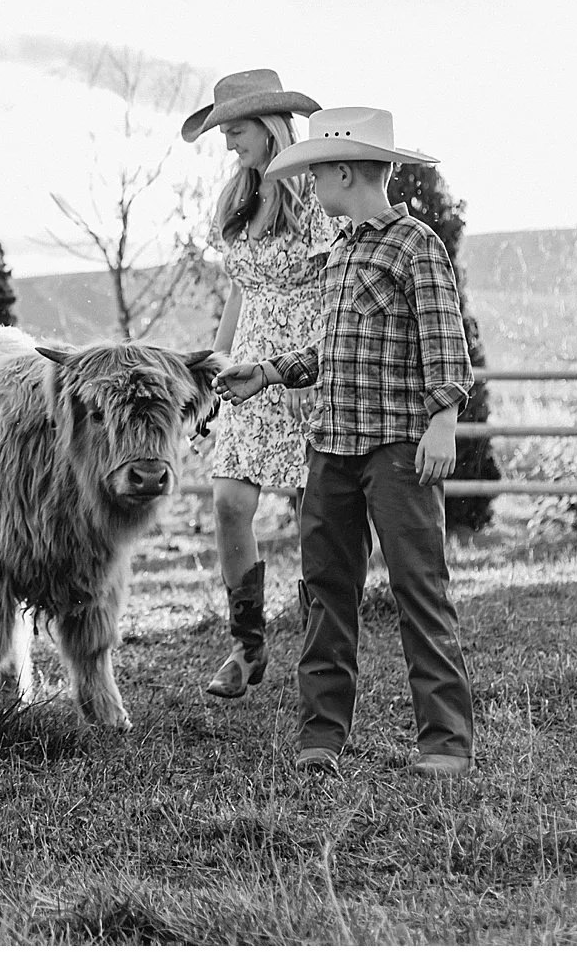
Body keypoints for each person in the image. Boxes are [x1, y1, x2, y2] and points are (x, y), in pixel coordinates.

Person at [218, 106, 476, 780]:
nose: (310, 185)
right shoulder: (337, 250)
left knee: (420, 587)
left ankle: (444, 741)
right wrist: (269, 371)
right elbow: (329, 349)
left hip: (397, 448)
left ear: (341, 171)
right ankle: (321, 735)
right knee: (325, 589)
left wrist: (443, 419)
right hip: (330, 446)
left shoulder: (414, 245)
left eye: (315, 173)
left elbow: (446, 338)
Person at [180, 70, 334, 701]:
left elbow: (334, 287)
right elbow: (242, 290)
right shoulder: (235, 197)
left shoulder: (319, 195)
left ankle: (323, 648)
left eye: (234, 131)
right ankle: (247, 647)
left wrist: (308, 367)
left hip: (305, 367)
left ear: (268, 127)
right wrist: (216, 367)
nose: (226, 144)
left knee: (314, 515)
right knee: (229, 503)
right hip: (247, 370)